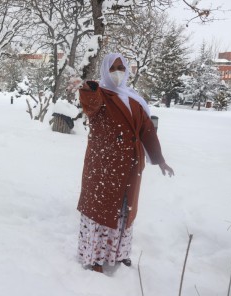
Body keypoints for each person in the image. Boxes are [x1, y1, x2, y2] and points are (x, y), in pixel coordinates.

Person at [73, 53, 174, 273]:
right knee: (102, 211)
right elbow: (90, 104)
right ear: (104, 71)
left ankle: (119, 254)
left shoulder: (134, 98)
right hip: (104, 165)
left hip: (131, 165)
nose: (117, 72)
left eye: (121, 67)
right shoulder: (101, 94)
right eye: (112, 68)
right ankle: (96, 257)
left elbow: (146, 130)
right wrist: (86, 87)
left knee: (124, 211)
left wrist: (159, 159)